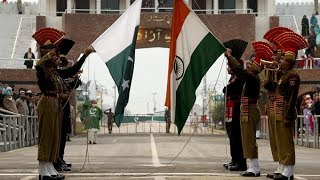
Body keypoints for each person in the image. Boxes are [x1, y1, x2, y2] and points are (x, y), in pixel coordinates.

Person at [272, 31, 307, 180]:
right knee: (281, 141)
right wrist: (277, 60)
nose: (282, 62)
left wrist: (288, 115)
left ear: (290, 61)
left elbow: (292, 98)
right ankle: (284, 167)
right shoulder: (284, 74)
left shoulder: (293, 76)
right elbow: (272, 81)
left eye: (284, 60)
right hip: (279, 109)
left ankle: (289, 170)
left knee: (286, 141)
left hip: (286, 111)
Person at [225, 44, 264, 177]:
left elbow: (239, 69)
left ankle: (254, 167)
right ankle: (252, 166)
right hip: (247, 109)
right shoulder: (249, 77)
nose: (250, 64)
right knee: (246, 139)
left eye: (252, 62)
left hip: (250, 109)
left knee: (249, 139)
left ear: (257, 67)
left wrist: (230, 57)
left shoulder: (252, 77)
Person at [221, 39, 247, 171]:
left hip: (237, 108)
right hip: (231, 108)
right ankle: (234, 159)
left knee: (237, 135)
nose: (228, 67)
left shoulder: (241, 74)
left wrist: (227, 89)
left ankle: (241, 161)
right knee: (232, 135)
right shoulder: (233, 77)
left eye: (230, 65)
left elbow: (232, 89)